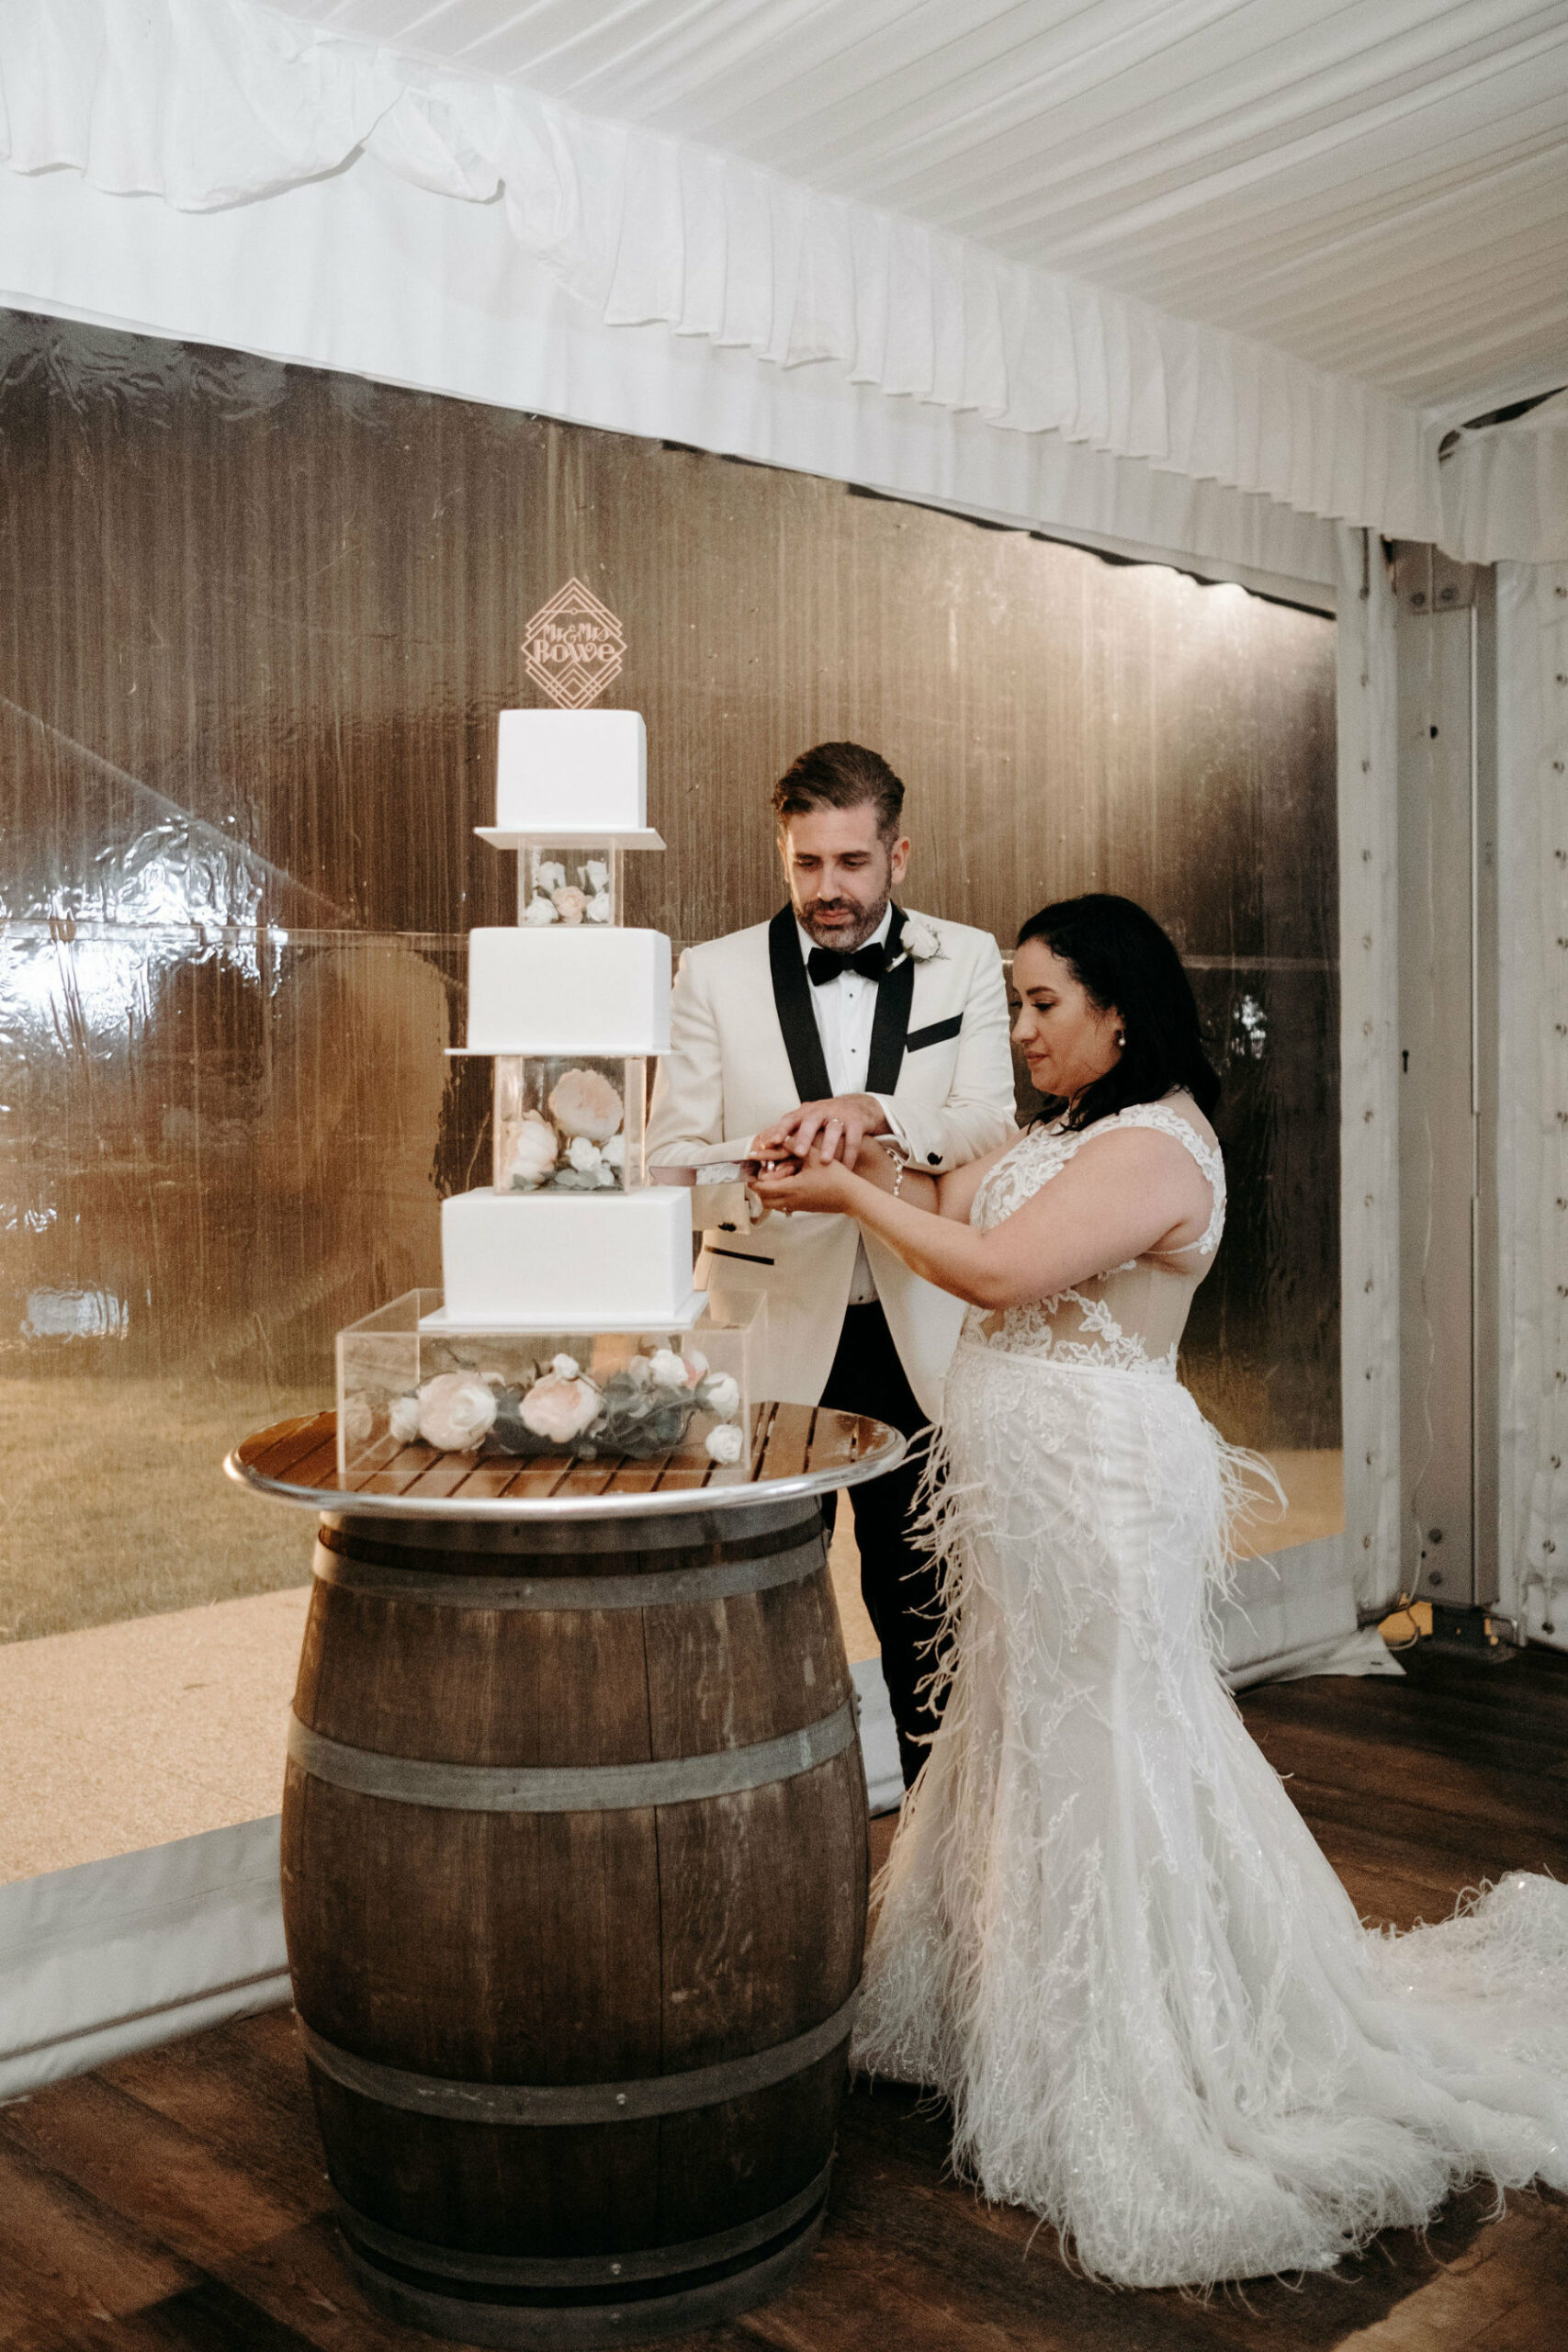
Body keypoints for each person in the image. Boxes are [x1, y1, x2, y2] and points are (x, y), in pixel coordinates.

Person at [753, 890, 1568, 2290]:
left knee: (1105, 1733)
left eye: (1040, 1005)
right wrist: (870, 1137)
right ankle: (988, 2013)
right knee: (1018, 1723)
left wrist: (847, 1199)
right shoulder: (1064, 1130)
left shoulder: (1156, 1144)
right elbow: (965, 1197)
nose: (1017, 1032)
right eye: (1009, 1003)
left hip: (1094, 1485)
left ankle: (1126, 2050)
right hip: (1020, 1484)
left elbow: (999, 1267)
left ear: (1118, 1008)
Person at [645, 741, 1015, 1784]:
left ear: (900, 854)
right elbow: (675, 1159)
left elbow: (990, 1123)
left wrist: (873, 1115)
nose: (829, 891)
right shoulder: (710, 972)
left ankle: (940, 1880)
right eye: (807, 865)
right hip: (770, 1338)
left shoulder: (970, 959)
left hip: (924, 1333)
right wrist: (748, 1176)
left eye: (852, 864)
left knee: (930, 1626)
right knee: (760, 1630)